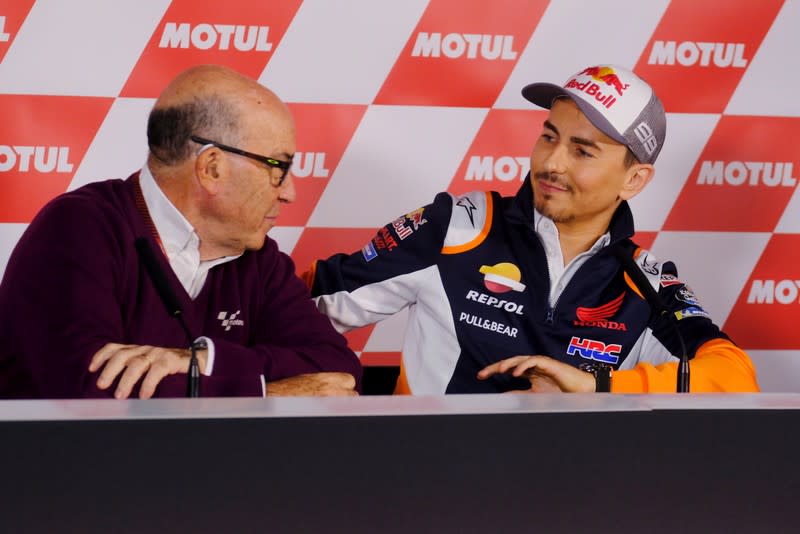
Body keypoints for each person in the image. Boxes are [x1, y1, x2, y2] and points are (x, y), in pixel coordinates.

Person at [305, 64, 759, 394]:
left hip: (565, 504)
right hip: (429, 488)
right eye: (549, 136)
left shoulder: (645, 281)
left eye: (582, 151)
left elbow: (735, 378)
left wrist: (595, 387)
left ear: (633, 179)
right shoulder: (459, 227)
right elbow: (306, 304)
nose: (551, 162)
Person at [0, 64, 361, 399]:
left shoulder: (258, 258)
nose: (289, 192)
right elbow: (93, 394)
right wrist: (272, 394)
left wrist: (201, 361)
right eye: (278, 167)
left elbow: (338, 372)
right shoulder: (77, 228)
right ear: (212, 167)